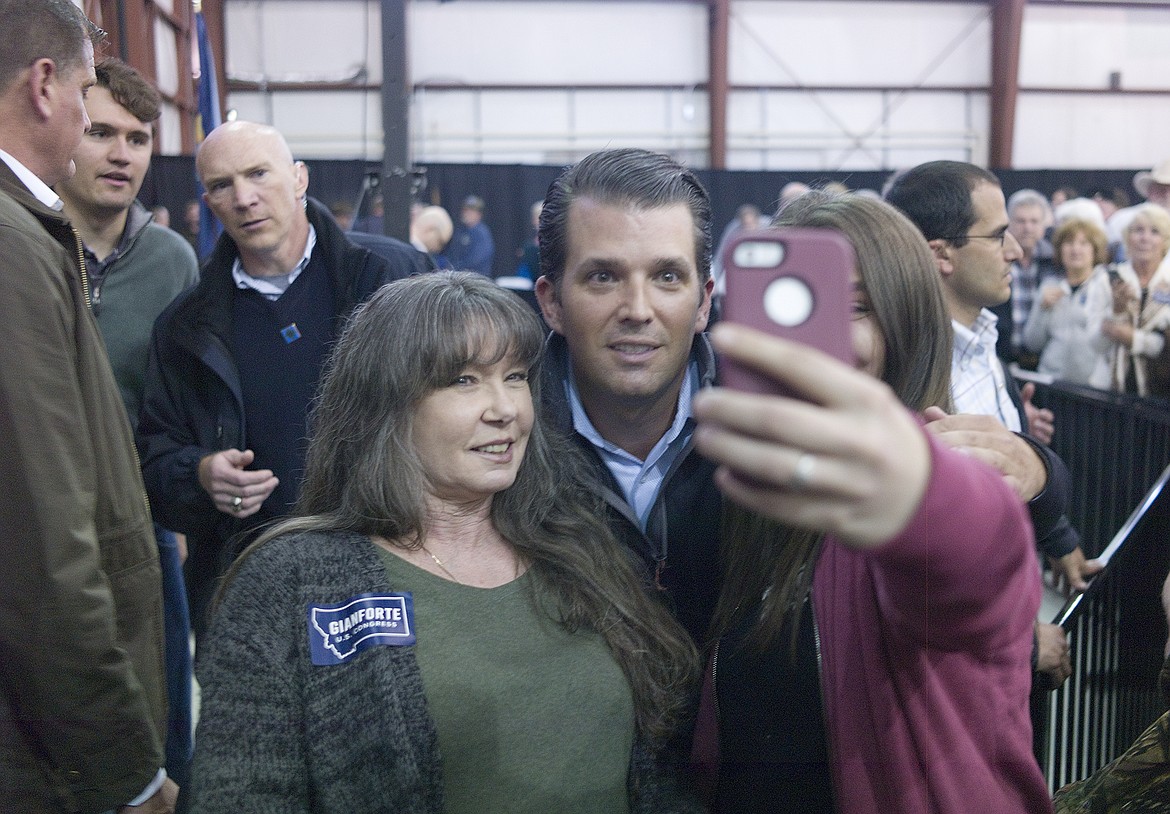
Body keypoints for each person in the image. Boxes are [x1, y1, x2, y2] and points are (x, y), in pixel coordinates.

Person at [189, 272, 701, 813]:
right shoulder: (290, 581)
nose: (504, 408)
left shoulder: (580, 547)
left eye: (515, 376)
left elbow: (661, 768)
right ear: (386, 404)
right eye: (464, 380)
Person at [692, 193, 1051, 814]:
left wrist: (920, 486)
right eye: (791, 312)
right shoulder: (744, 494)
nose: (818, 341)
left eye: (855, 308)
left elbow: (978, 555)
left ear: (906, 317)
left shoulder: (933, 475)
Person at [136, 121, 414, 642]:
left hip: (390, 566)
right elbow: (153, 453)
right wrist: (200, 473)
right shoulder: (185, 327)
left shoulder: (393, 279)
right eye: (221, 185)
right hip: (250, 586)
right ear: (209, 202)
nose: (243, 197)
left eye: (258, 173)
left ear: (299, 178)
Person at [0, 1, 175, 811]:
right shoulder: (14, 244)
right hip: (52, 744)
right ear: (44, 85)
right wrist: (126, 768)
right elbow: (44, 537)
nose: (99, 134)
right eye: (82, 97)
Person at [55, 56, 200, 791]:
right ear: (67, 132)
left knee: (163, 717)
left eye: (139, 139)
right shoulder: (26, 245)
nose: (121, 154)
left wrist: (174, 515)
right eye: (102, 132)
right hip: (38, 522)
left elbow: (184, 406)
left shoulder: (175, 263)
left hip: (144, 527)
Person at [885, 160, 1099, 600]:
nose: (1017, 250)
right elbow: (932, 567)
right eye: (998, 234)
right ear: (940, 253)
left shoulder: (982, 342)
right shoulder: (905, 378)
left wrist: (1056, 535)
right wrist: (1030, 643)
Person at [534, 148, 720, 642]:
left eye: (666, 277)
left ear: (703, 302)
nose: (637, 309)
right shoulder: (500, 446)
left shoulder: (770, 436)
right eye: (603, 277)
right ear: (551, 303)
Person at [1090, 203, 1170, 398]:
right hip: (1110, 390)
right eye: (1138, 230)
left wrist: (1130, 337)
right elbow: (1095, 344)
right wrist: (1116, 312)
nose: (1145, 238)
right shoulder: (1107, 278)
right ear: (1127, 237)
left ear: (1166, 241)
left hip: (1161, 392)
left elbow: (1163, 347)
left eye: (1154, 232)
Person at [1022, 217, 1111, 385]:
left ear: (1095, 250)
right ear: (1060, 250)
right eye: (1069, 243)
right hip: (1051, 382)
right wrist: (1042, 308)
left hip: (1092, 387)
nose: (1075, 249)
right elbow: (1032, 343)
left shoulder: (1106, 287)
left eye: (1084, 243)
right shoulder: (1049, 286)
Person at [994, 189, 1057, 367]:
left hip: (1043, 361)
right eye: (1020, 221)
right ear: (1008, 223)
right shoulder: (995, 258)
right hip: (1003, 357)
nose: (1027, 227)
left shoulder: (1055, 261)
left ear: (1044, 225)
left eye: (1034, 221)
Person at [442, 193, 494, 276]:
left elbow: (476, 259)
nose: (466, 214)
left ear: (479, 214)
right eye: (465, 210)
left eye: (471, 211)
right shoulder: (460, 231)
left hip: (475, 279)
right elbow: (452, 253)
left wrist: (454, 268)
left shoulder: (482, 233)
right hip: (456, 276)